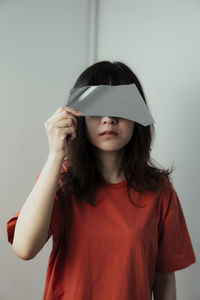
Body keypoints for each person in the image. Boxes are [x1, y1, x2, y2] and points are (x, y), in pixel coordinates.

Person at [7, 61, 196, 300]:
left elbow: (164, 278)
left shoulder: (160, 191)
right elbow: (24, 248)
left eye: (121, 107)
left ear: (138, 116)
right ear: (79, 116)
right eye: (97, 107)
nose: (108, 118)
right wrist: (55, 155)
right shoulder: (61, 180)